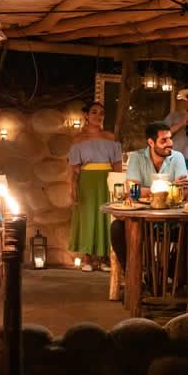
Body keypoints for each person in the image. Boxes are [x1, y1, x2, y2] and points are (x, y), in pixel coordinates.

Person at [110, 121, 188, 270]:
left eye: (170, 138)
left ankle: (176, 275)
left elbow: (183, 192)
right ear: (151, 142)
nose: (170, 143)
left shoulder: (178, 157)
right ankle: (133, 274)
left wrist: (146, 190)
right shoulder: (136, 157)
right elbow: (133, 190)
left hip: (170, 220)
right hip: (142, 221)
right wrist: (167, 188)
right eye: (164, 140)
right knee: (117, 228)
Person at [67, 102, 122, 272]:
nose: (98, 116)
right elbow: (74, 168)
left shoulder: (110, 138)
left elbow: (117, 165)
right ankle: (87, 257)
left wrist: (118, 184)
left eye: (101, 113)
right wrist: (73, 186)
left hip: (107, 179)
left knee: (106, 216)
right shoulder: (78, 140)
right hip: (87, 181)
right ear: (86, 116)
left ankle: (105, 258)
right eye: (94, 112)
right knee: (88, 216)